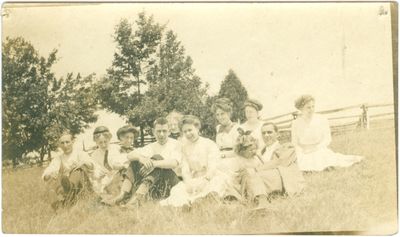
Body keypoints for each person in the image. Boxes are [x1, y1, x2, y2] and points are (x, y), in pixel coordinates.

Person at [160, 115, 226, 207]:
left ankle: (202, 201)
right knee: (178, 189)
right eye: (185, 131)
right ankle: (185, 204)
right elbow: (185, 169)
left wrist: (206, 180)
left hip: (209, 177)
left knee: (216, 184)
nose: (188, 133)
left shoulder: (209, 144)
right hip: (194, 178)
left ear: (197, 128)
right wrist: (188, 183)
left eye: (190, 130)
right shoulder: (184, 147)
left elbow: (213, 166)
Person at [291, 95, 363, 171]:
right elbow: (294, 142)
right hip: (304, 152)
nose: (311, 109)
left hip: (319, 149)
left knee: (327, 161)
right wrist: (301, 151)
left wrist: (317, 148)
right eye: (308, 107)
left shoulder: (321, 119)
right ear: (301, 109)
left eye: (313, 106)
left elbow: (327, 139)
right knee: (300, 166)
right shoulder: (296, 123)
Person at [242, 122, 305, 210]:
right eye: (263, 133)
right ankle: (235, 199)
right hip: (266, 178)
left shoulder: (286, 146)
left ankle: (263, 202)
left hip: (282, 178)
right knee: (242, 173)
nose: (266, 135)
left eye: (269, 132)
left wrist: (257, 169)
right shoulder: (261, 151)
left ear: (277, 134)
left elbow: (279, 162)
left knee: (252, 174)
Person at [125, 117, 181, 208]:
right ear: (153, 131)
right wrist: (141, 158)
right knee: (134, 162)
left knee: (157, 158)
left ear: (169, 131)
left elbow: (174, 163)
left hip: (174, 184)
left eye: (164, 131)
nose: (161, 134)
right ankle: (123, 194)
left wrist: (153, 164)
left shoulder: (176, 144)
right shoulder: (151, 146)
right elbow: (129, 155)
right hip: (158, 185)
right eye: (158, 131)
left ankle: (137, 198)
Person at [42, 131, 94, 210]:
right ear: (59, 145)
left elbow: (91, 165)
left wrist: (81, 163)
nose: (65, 145)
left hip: (83, 186)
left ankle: (69, 188)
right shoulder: (59, 158)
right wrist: (48, 175)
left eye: (67, 142)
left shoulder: (80, 154)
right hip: (69, 189)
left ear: (72, 142)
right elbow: (51, 168)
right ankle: (60, 203)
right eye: (62, 143)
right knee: (58, 180)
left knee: (77, 170)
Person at [212, 98, 242, 200]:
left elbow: (239, 151)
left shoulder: (237, 128)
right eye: (217, 114)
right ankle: (213, 194)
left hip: (233, 159)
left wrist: (223, 155)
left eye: (222, 114)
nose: (220, 117)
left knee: (221, 169)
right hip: (220, 157)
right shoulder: (218, 128)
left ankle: (229, 195)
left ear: (229, 113)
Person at [101, 125, 138, 205]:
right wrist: (124, 165)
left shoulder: (135, 151)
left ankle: (125, 197)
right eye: (126, 137)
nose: (129, 140)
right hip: (117, 176)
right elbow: (113, 164)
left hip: (132, 176)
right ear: (121, 137)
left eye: (131, 138)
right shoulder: (114, 149)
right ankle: (122, 197)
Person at [89, 126, 130, 197]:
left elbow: (123, 163)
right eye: (100, 142)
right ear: (96, 142)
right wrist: (98, 174)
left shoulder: (117, 149)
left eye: (105, 141)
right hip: (103, 179)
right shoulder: (94, 155)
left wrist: (120, 166)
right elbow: (96, 170)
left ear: (109, 139)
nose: (103, 145)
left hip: (117, 175)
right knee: (99, 189)